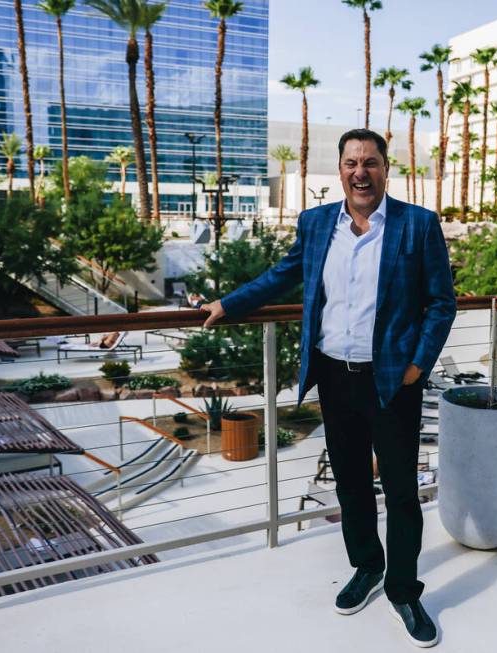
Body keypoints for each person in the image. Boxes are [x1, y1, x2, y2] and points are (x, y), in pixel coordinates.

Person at [199, 129, 454, 647]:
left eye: (371, 162)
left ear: (387, 169)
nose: (361, 172)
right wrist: (230, 304)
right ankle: (367, 567)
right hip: (334, 378)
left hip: (392, 383)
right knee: (351, 484)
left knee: (402, 492)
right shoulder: (316, 223)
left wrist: (416, 366)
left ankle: (403, 589)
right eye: (352, 162)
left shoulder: (418, 225)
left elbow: (440, 303)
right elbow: (282, 275)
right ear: (339, 169)